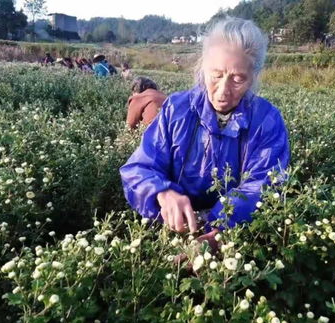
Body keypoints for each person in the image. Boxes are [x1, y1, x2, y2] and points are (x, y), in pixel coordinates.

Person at [119, 17, 290, 250]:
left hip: (234, 239)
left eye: (238, 79)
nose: (223, 91)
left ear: (253, 77)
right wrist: (162, 192)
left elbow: (264, 184)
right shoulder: (176, 109)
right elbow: (139, 168)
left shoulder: (266, 121)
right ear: (203, 68)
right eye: (216, 75)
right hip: (172, 230)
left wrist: (221, 228)